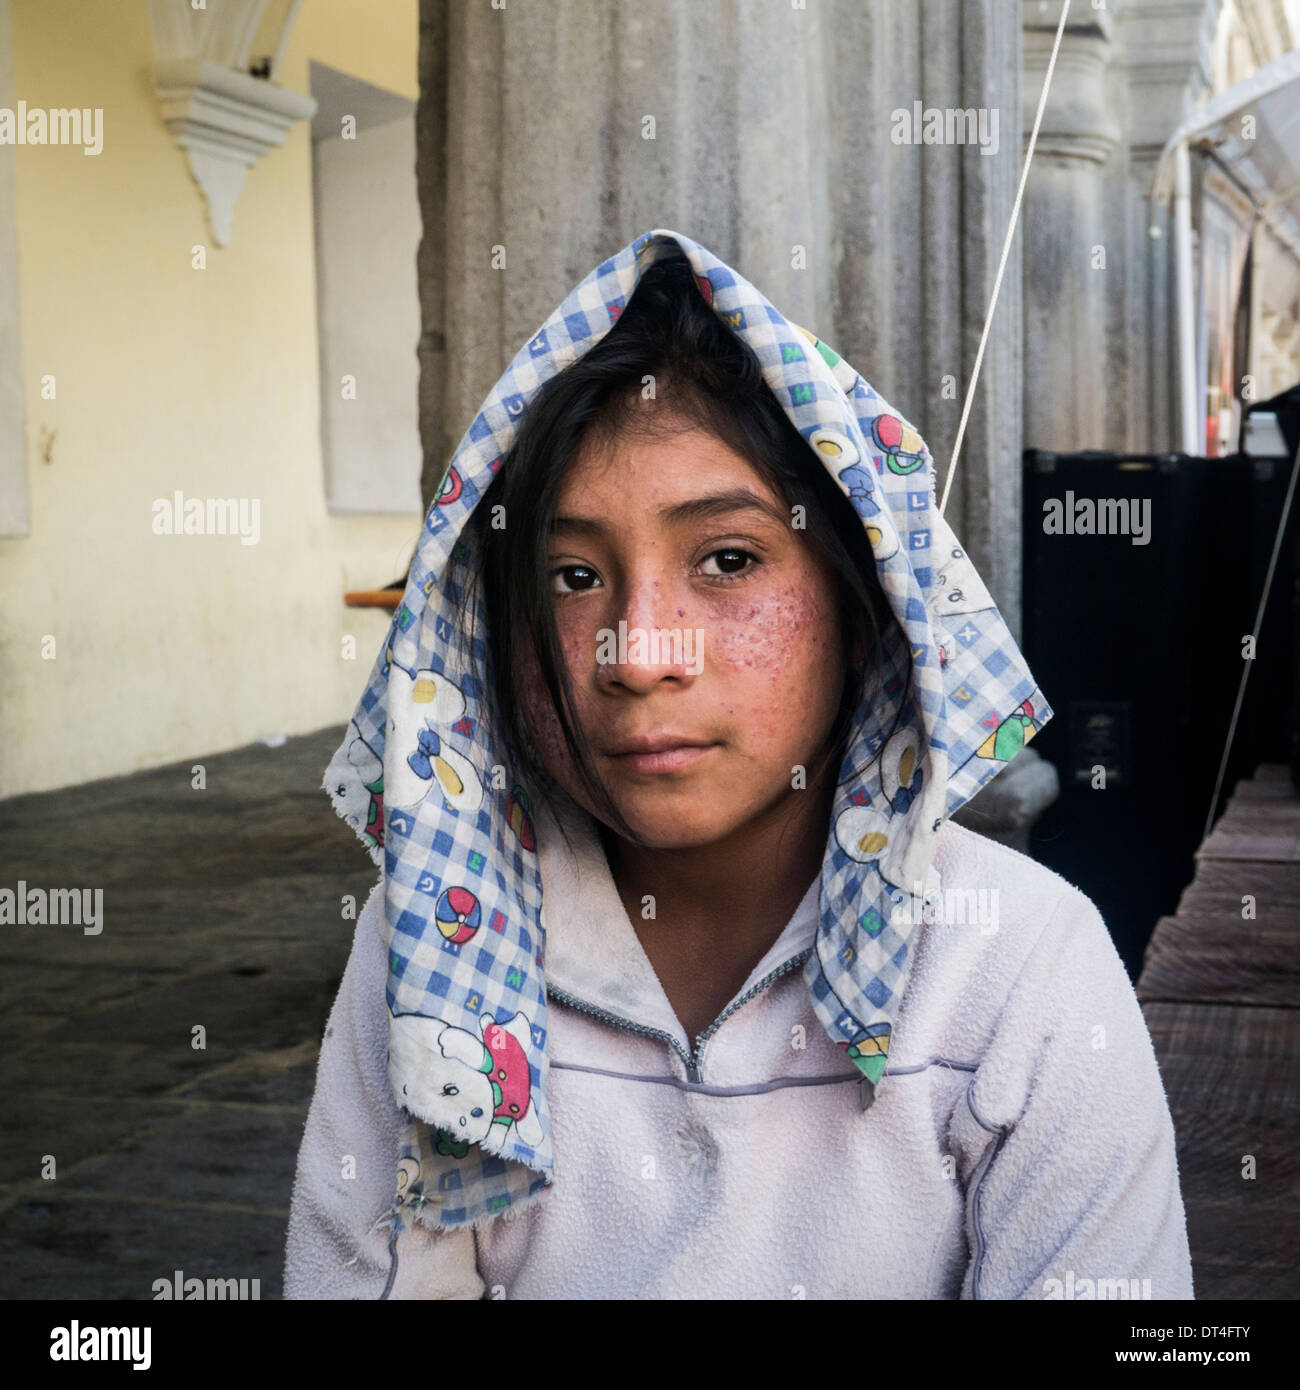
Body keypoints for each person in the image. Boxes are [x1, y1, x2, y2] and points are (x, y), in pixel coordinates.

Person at [284, 229, 1194, 1300]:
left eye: (727, 559)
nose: (640, 651)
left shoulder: (1019, 967)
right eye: (571, 575)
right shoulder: (433, 935)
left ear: (869, 614)